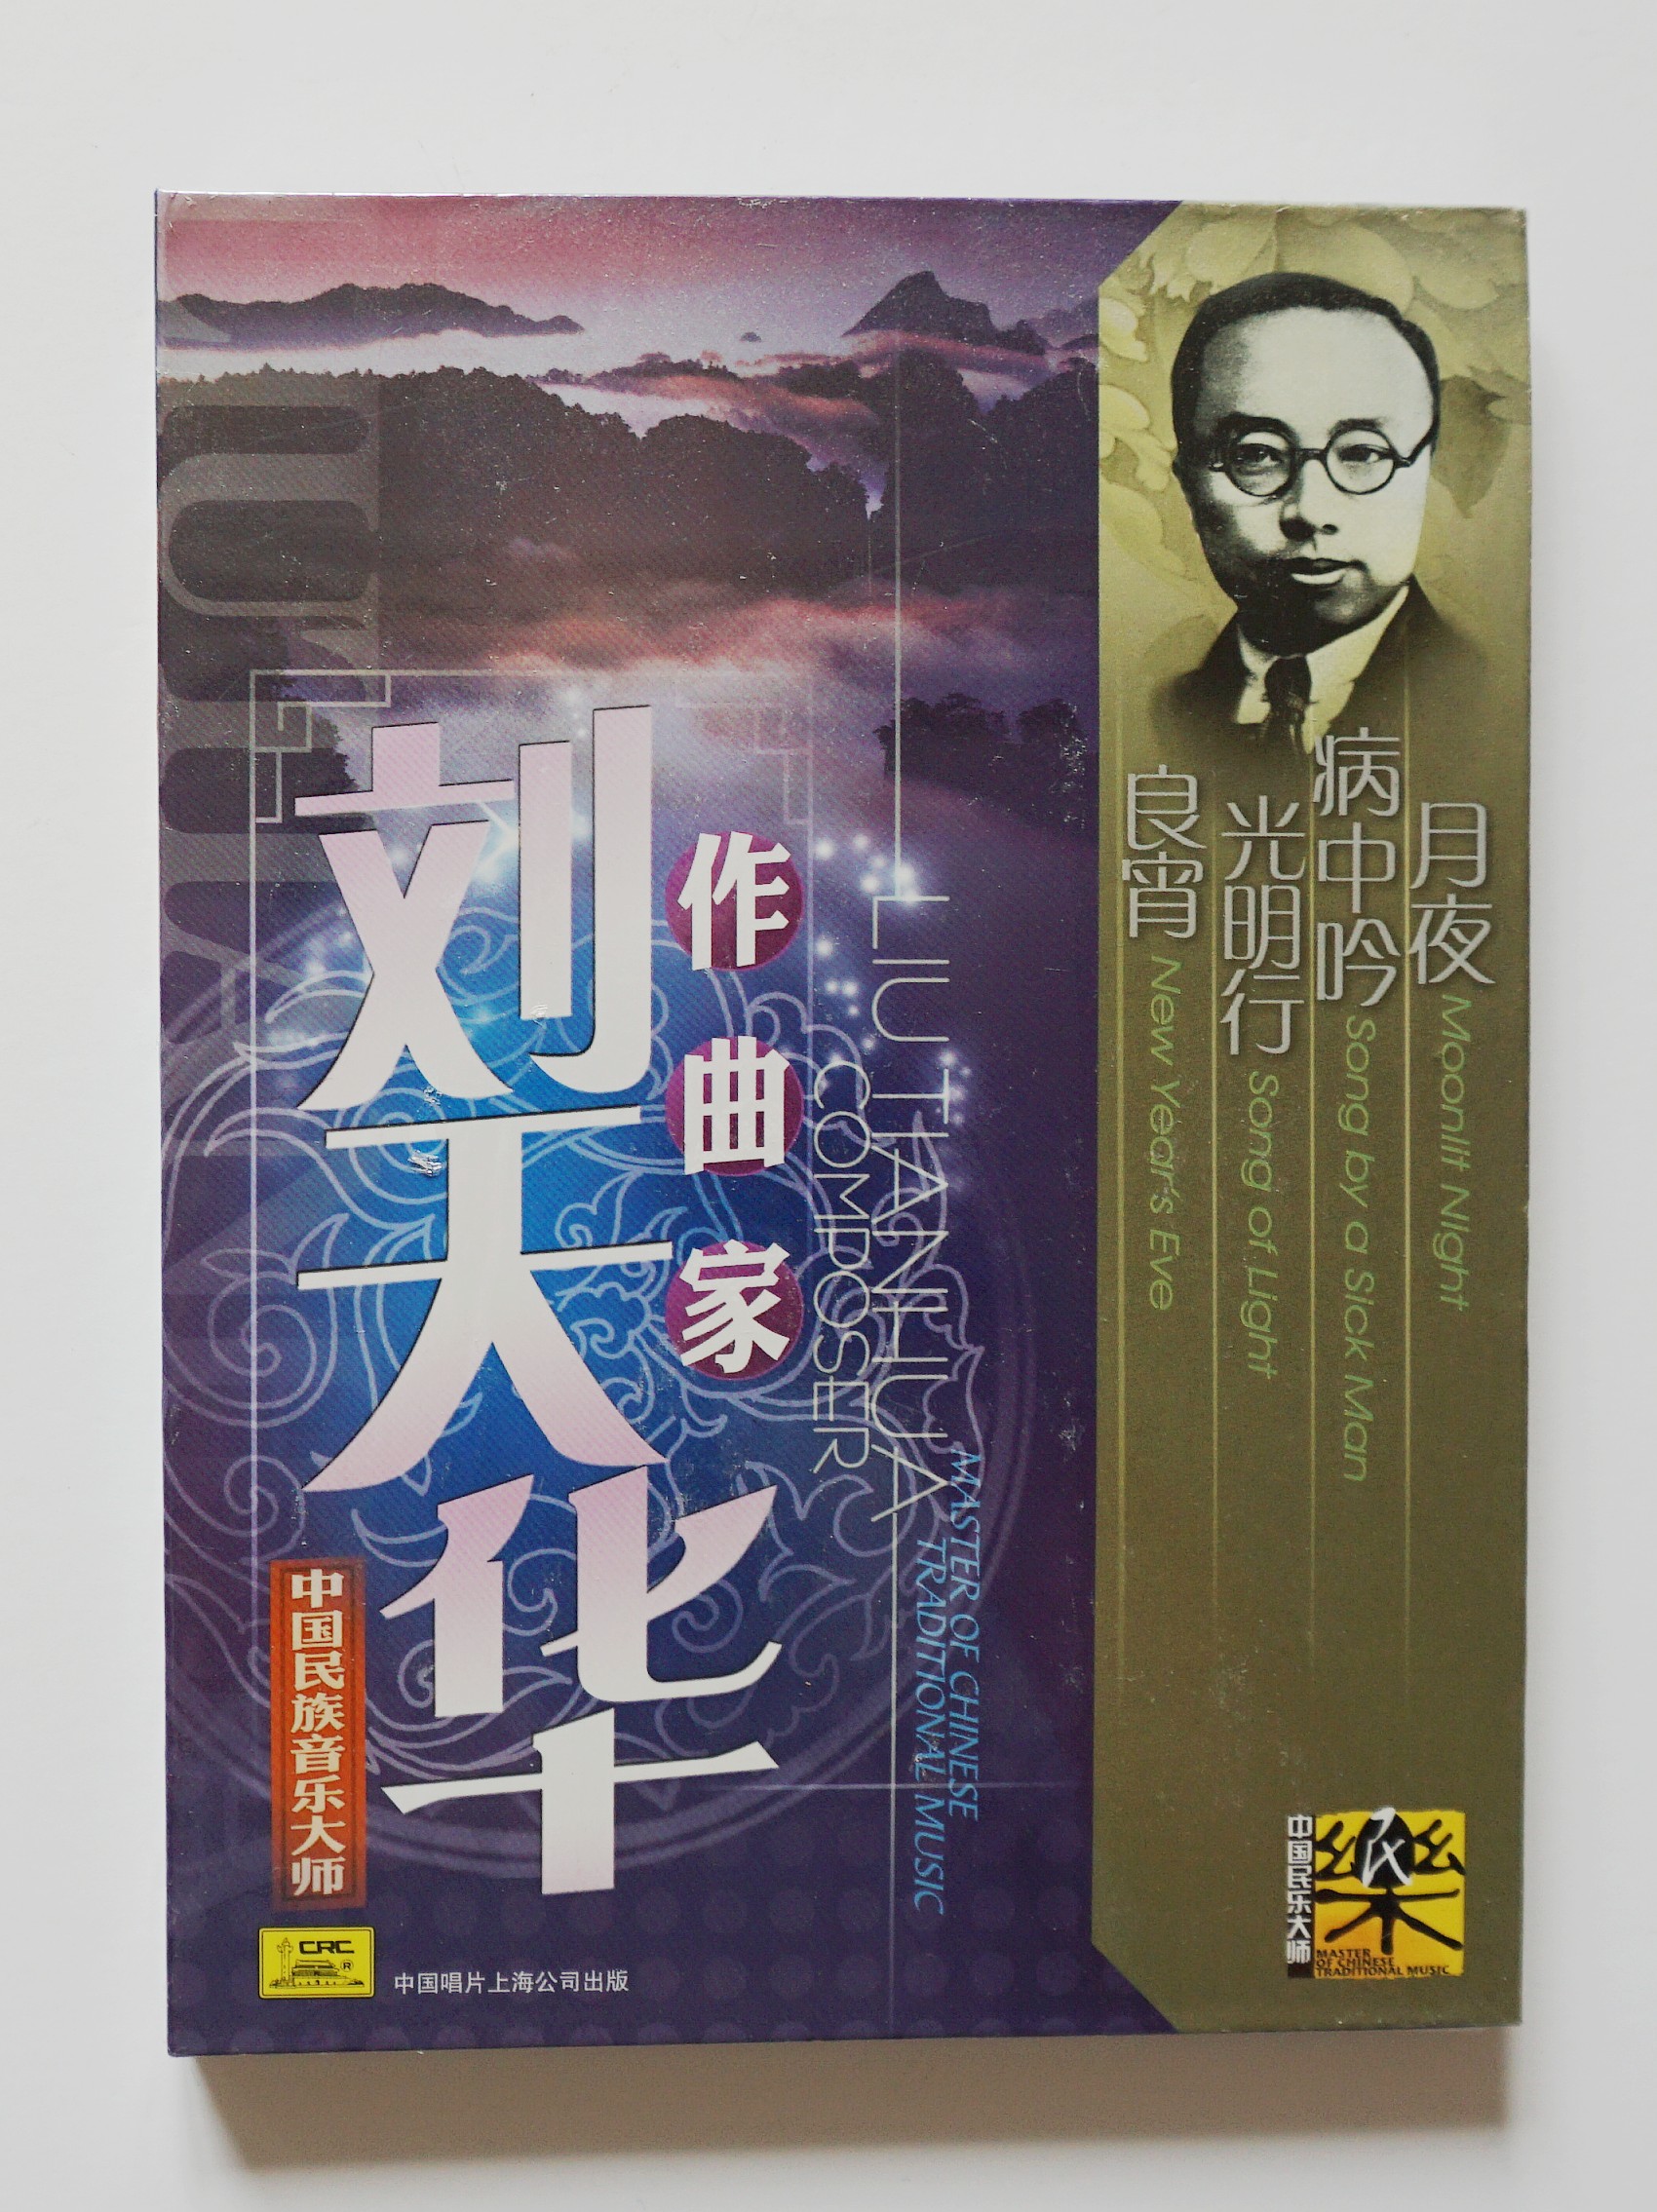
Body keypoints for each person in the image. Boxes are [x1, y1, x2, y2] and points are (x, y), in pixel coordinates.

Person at [1157, 270, 1477, 754]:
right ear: (1188, 484)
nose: (1309, 511)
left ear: (1426, 468)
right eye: (1256, 455)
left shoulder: (1490, 703)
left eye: (1363, 453)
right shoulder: (1161, 716)